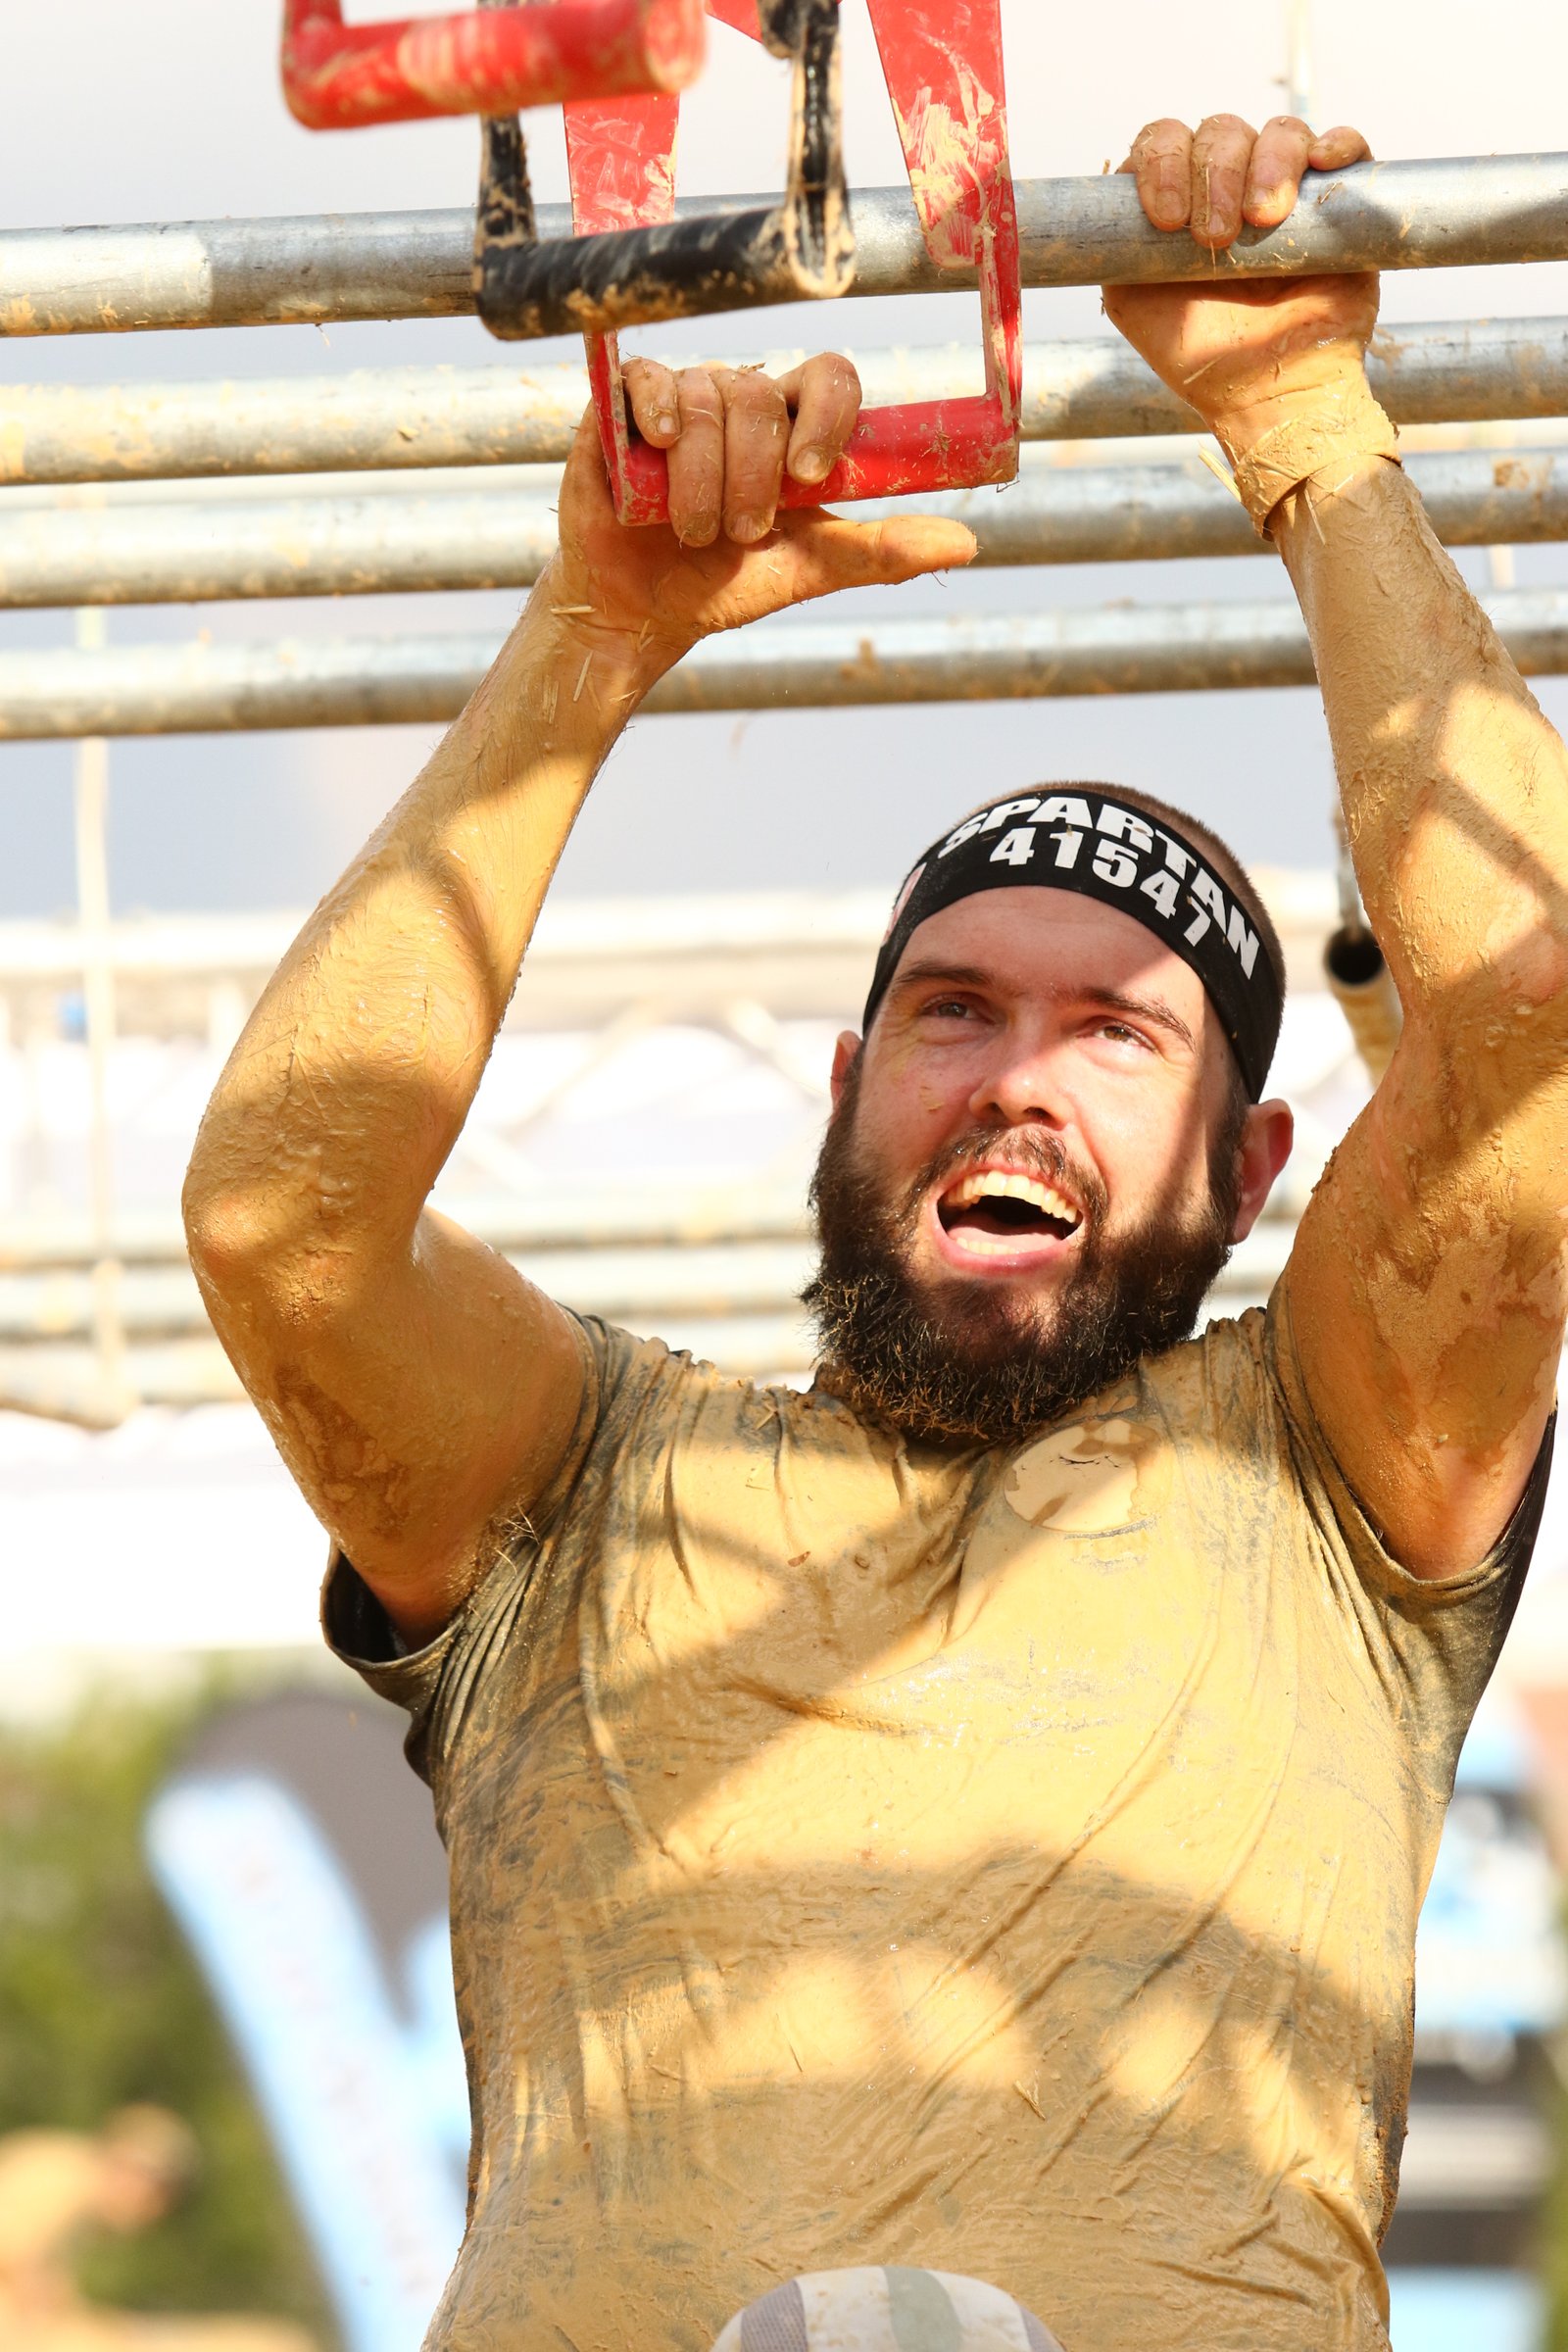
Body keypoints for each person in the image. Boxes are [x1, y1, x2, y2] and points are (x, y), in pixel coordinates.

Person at [182, 108, 1566, 2352]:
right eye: (952, 1011)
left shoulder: (1322, 1477)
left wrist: (1301, 415)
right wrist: (594, 633)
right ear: (844, 1092)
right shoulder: (588, 1482)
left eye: (1113, 1035)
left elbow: (1513, 1005)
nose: (1015, 1075)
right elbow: (282, 1222)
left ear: (1249, 1169)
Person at [0, 2107, 315, 2351]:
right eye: (158, 2195)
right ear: (135, 2171)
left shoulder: (70, 2183)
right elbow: (12, 2250)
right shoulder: (61, 2174)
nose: (151, 2211)